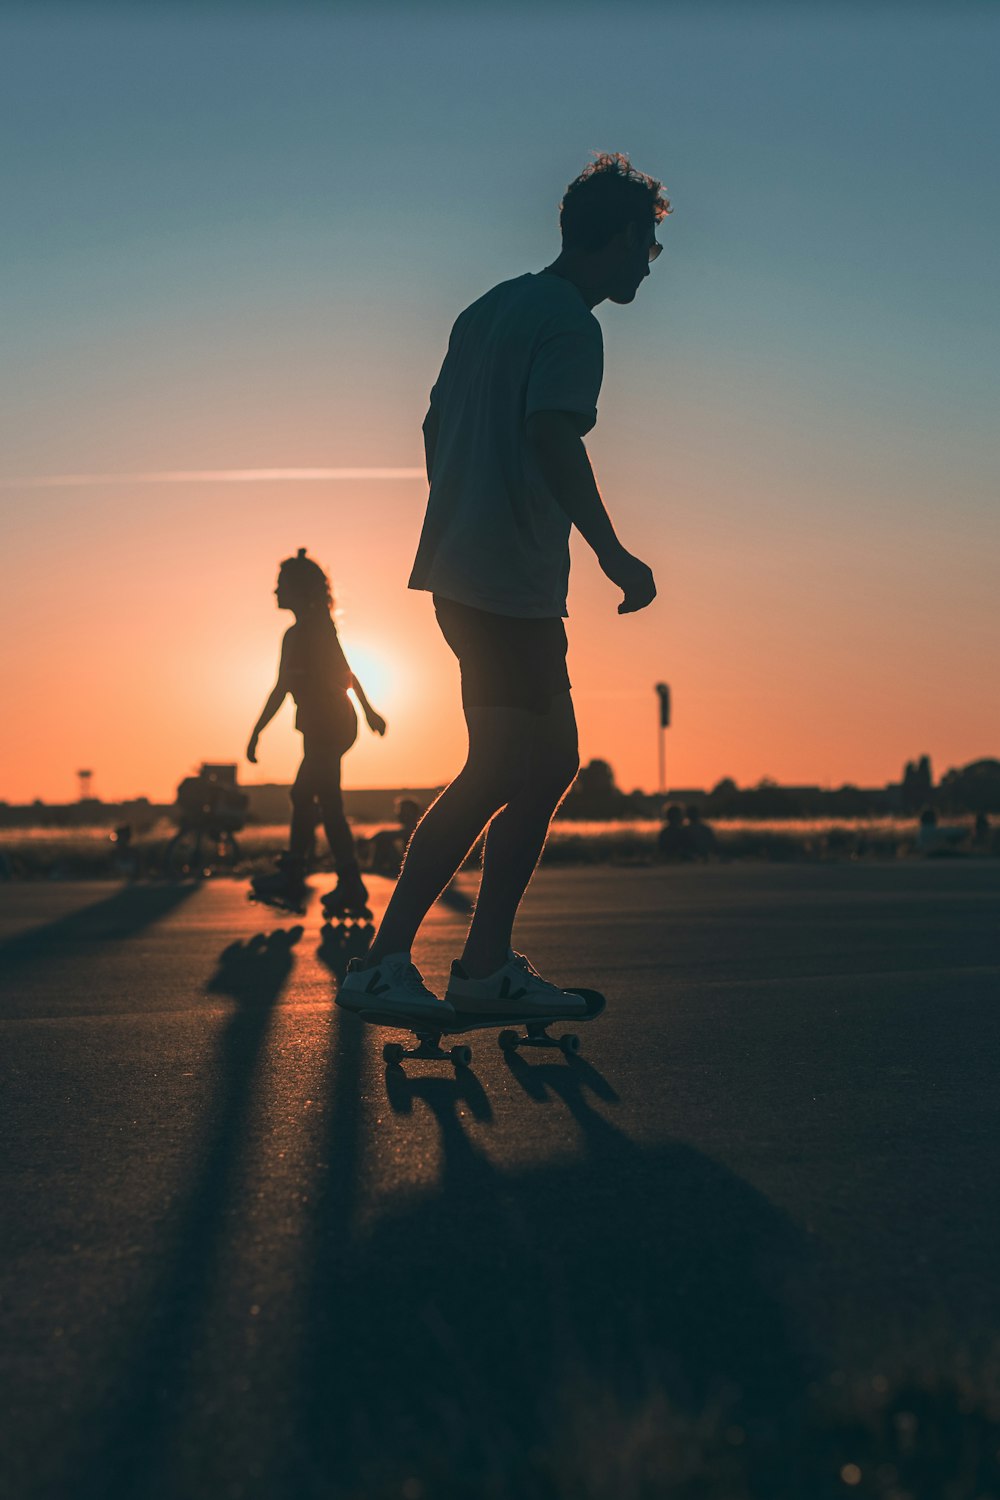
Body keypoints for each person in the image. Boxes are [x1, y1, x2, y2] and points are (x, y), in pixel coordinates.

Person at [339, 152, 668, 1022]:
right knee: (501, 767)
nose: (650, 266)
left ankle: (484, 964)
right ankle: (383, 961)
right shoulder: (569, 323)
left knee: (548, 763)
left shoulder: (487, 309)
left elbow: (433, 424)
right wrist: (612, 552)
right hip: (506, 581)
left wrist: (460, 512)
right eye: (652, 248)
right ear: (625, 237)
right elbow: (557, 437)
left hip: (470, 572)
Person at [247, 548, 385, 911]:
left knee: (321, 800)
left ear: (298, 589)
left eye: (280, 585)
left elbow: (332, 676)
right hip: (329, 724)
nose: (275, 592)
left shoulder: (307, 631)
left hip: (328, 724)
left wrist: (256, 732)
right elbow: (346, 673)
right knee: (309, 797)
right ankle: (320, 876)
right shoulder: (313, 629)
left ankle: (317, 877)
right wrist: (369, 713)